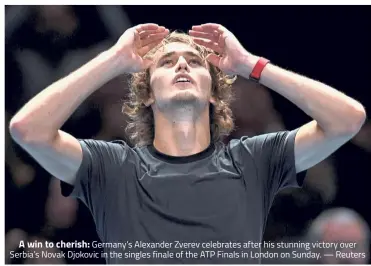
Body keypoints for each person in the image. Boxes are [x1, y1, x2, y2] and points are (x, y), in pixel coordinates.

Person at [9, 23, 366, 263]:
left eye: (194, 62)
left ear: (214, 93)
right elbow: (28, 129)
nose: (181, 64)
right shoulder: (112, 166)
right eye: (167, 62)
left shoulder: (254, 158)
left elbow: (347, 119)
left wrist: (249, 64)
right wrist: (114, 60)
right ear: (147, 95)